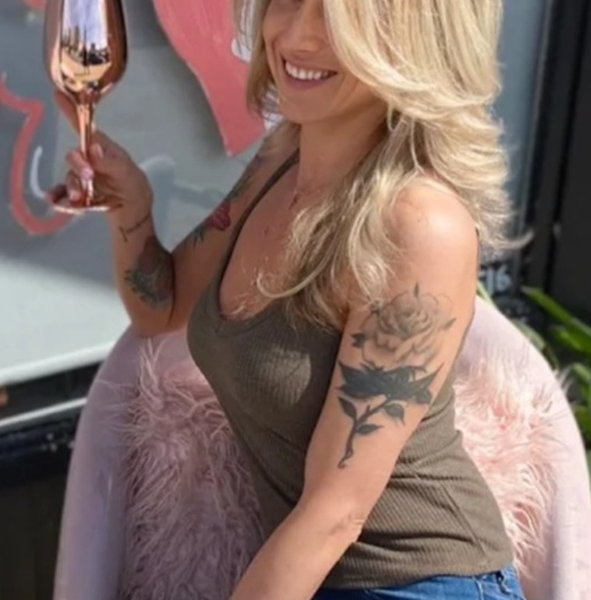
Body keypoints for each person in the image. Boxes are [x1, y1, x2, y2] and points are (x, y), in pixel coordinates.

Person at [48, 0, 527, 598]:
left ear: (412, 39)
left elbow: (335, 512)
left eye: (339, 15)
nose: (296, 34)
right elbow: (160, 308)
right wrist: (131, 207)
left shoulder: (420, 225)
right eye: (290, 1)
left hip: (424, 583)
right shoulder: (282, 160)